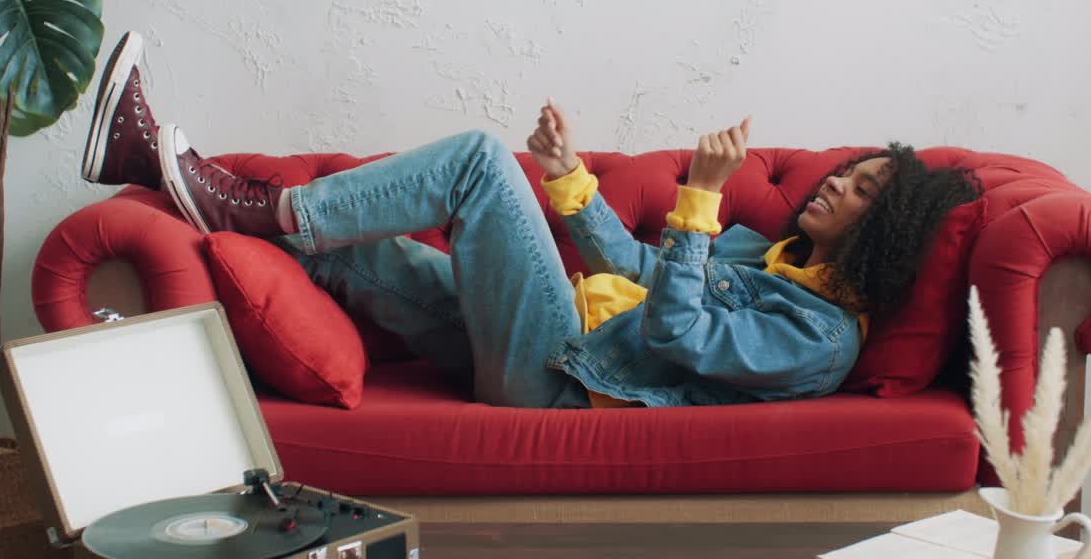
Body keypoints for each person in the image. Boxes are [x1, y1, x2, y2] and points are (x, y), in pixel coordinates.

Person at [80, 32, 982, 409]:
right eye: (848, 173)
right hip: (554, 342)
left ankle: (247, 200)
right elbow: (631, 262)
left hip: (563, 385)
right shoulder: (770, 254)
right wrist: (567, 178)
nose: (835, 184)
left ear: (886, 231)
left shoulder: (820, 338)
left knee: (477, 160)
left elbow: (674, 329)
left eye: (863, 190)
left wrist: (700, 200)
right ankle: (157, 183)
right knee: (362, 259)